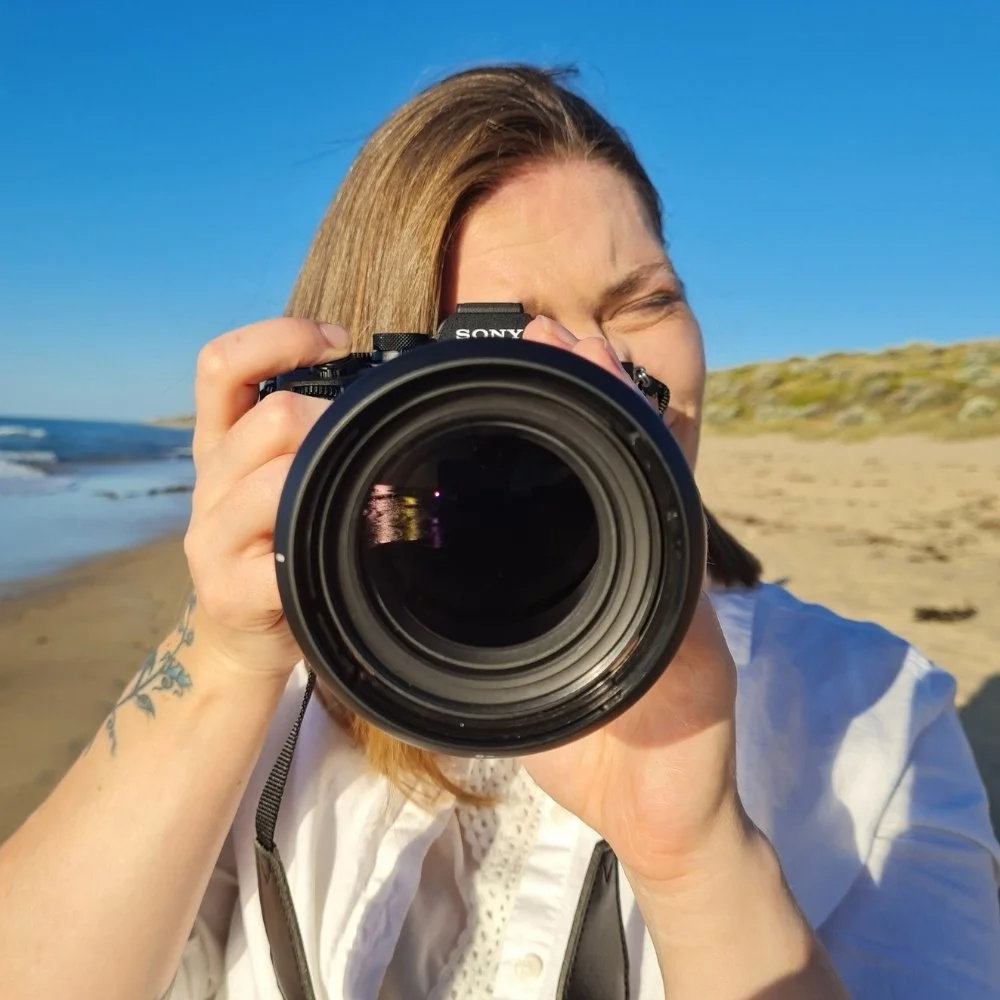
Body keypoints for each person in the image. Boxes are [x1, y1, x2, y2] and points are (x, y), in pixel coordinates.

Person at [1, 64, 998, 1000]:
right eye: (508, 334)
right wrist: (221, 660)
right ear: (362, 395)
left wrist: (695, 856)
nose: (595, 365)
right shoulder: (262, 693)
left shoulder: (872, 712)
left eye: (645, 301)